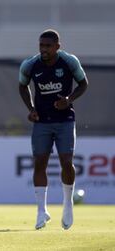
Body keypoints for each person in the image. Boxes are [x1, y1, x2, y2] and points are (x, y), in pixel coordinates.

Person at [18, 29, 88, 230]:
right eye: (41, 45)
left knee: (67, 162)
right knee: (40, 163)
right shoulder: (30, 65)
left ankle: (67, 204)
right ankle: (42, 211)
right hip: (42, 122)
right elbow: (22, 87)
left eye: (48, 46)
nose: (44, 49)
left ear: (58, 46)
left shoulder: (69, 62)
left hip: (65, 120)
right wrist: (31, 109)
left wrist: (69, 100)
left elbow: (84, 84)